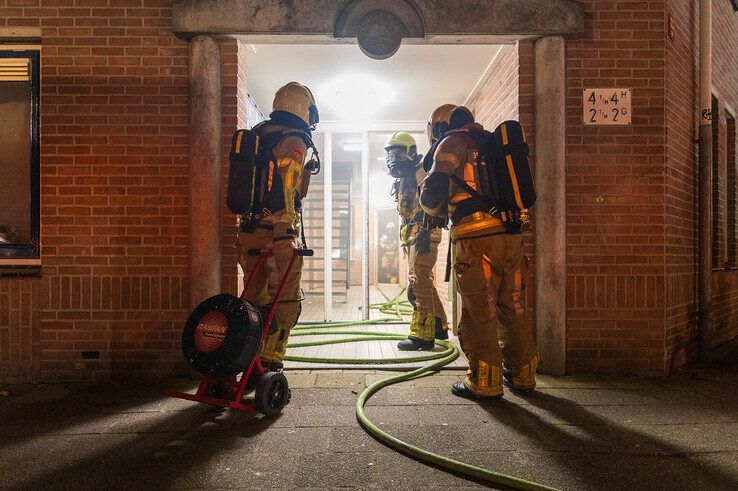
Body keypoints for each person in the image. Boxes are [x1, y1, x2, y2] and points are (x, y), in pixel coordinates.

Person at [419, 105, 539, 399]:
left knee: (480, 310)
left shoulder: (452, 143)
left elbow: (433, 191)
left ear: (439, 127)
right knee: (513, 306)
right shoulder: (491, 141)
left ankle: (484, 380)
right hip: (511, 238)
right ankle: (524, 374)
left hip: (476, 241)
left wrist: (430, 205)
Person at [237, 81, 319, 372]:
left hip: (248, 231)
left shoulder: (258, 133)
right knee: (284, 299)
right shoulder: (295, 140)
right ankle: (270, 362)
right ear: (305, 110)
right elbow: (287, 183)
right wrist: (286, 230)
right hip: (278, 233)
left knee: (252, 298)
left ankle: (245, 357)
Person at [384, 131, 449, 351]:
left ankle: (422, 335)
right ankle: (439, 325)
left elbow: (428, 204)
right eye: (390, 153)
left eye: (398, 152)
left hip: (424, 232)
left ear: (410, 152)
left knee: (418, 281)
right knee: (424, 280)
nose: (393, 158)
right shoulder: (404, 177)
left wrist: (423, 233)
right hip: (414, 234)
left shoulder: (420, 171)